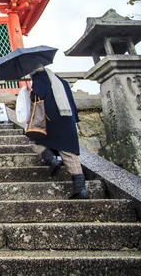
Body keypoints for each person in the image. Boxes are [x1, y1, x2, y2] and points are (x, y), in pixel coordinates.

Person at [28, 65, 89, 199]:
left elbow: (37, 96)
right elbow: (72, 103)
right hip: (67, 119)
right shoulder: (61, 81)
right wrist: (75, 120)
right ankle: (80, 189)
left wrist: (30, 93)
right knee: (68, 151)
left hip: (51, 119)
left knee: (34, 140)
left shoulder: (40, 78)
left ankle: (51, 159)